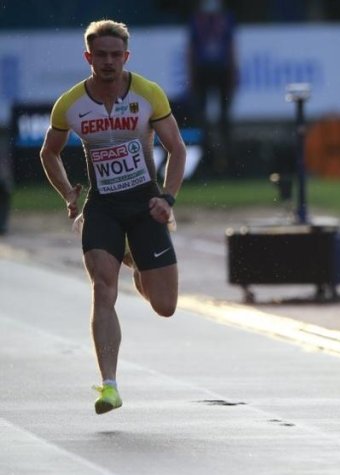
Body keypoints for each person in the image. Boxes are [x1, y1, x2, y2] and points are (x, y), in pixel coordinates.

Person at [40, 19, 186, 415]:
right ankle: (110, 385)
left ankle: (136, 261)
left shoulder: (148, 94)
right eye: (100, 55)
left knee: (165, 305)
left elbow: (177, 149)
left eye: (115, 55)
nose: (108, 62)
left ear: (127, 57)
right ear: (88, 57)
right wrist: (69, 192)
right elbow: (48, 152)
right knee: (103, 289)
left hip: (145, 205)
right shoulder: (70, 104)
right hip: (102, 207)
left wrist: (167, 198)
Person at [188, 0, 238, 175]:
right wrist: (192, 74)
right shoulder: (197, 21)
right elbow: (191, 49)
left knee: (224, 116)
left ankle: (227, 156)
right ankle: (207, 155)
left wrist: (233, 72)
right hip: (204, 71)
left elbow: (231, 47)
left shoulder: (225, 20)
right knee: (202, 117)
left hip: (220, 71)